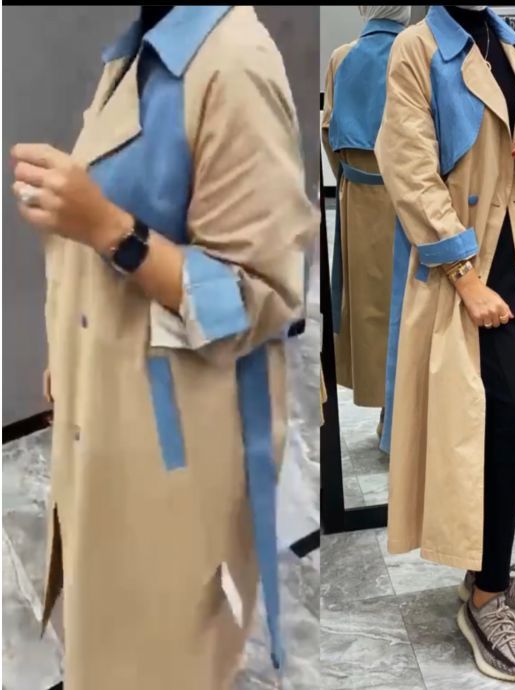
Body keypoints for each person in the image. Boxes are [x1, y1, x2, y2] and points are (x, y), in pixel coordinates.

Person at [11, 6, 316, 689]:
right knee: (107, 635)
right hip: (113, 414)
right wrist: (69, 356)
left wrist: (106, 226)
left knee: (160, 654)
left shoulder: (233, 62)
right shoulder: (141, 51)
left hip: (174, 444)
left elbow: (260, 297)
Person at [376, 6, 515, 682]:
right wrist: (466, 280)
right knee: (512, 420)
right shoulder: (416, 50)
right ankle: (486, 597)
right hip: (471, 271)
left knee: (514, 423)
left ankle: (486, 570)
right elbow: (409, 171)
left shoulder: (514, 44)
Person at [322, 6, 411, 436]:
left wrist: (346, 181)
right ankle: (403, 413)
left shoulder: (342, 57)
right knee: (412, 305)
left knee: (370, 308)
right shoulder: (418, 53)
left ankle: (385, 409)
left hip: (359, 198)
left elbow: (328, 130)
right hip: (411, 196)